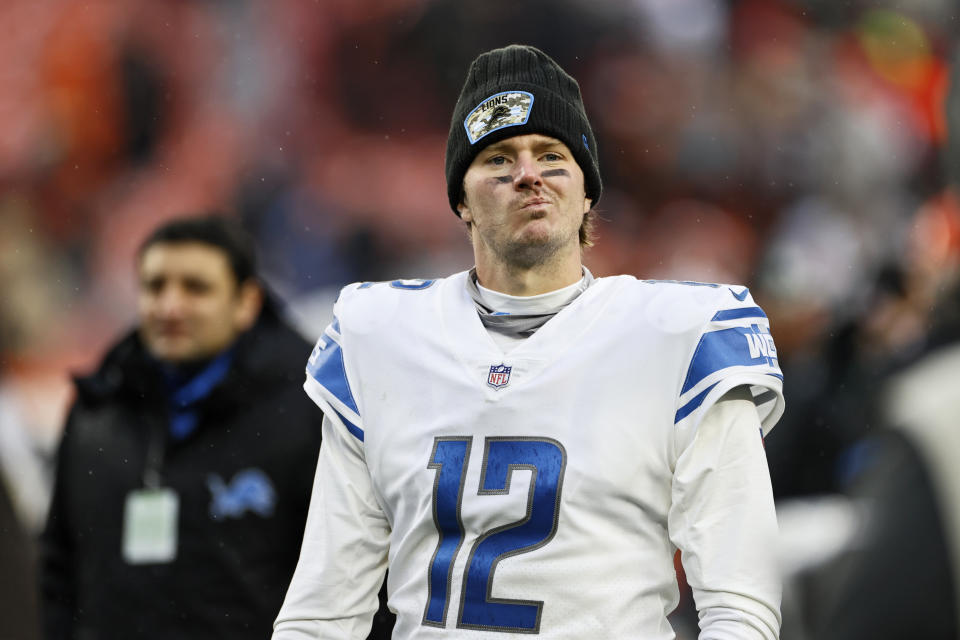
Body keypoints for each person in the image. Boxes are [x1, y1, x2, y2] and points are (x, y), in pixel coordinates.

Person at [274, 45, 784, 639]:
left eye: (552, 155)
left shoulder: (680, 336)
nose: (527, 173)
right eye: (497, 158)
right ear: (460, 199)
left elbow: (739, 606)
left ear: (587, 191)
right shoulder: (381, 336)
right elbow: (323, 609)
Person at [40, 215, 337, 639]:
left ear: (246, 302)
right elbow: (59, 567)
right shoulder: (97, 411)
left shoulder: (311, 412)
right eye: (155, 286)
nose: (170, 306)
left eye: (196, 288)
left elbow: (351, 570)